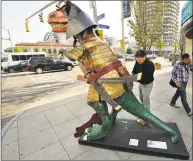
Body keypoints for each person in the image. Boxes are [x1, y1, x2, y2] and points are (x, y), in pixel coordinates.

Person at [57, 0, 179, 144]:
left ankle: (105, 124)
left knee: (95, 101)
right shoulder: (100, 42)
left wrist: (64, 50)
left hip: (111, 85)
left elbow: (72, 55)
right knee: (127, 108)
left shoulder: (87, 45)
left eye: (76, 35)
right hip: (117, 81)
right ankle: (111, 117)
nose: (76, 38)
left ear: (81, 32)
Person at [132, 50, 155, 125]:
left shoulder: (150, 64)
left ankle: (146, 119)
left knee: (146, 101)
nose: (138, 61)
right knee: (141, 98)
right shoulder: (137, 62)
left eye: (140, 59)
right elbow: (134, 71)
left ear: (144, 57)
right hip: (141, 83)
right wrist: (132, 77)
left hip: (147, 84)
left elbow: (147, 77)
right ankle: (144, 113)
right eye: (137, 59)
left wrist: (136, 77)